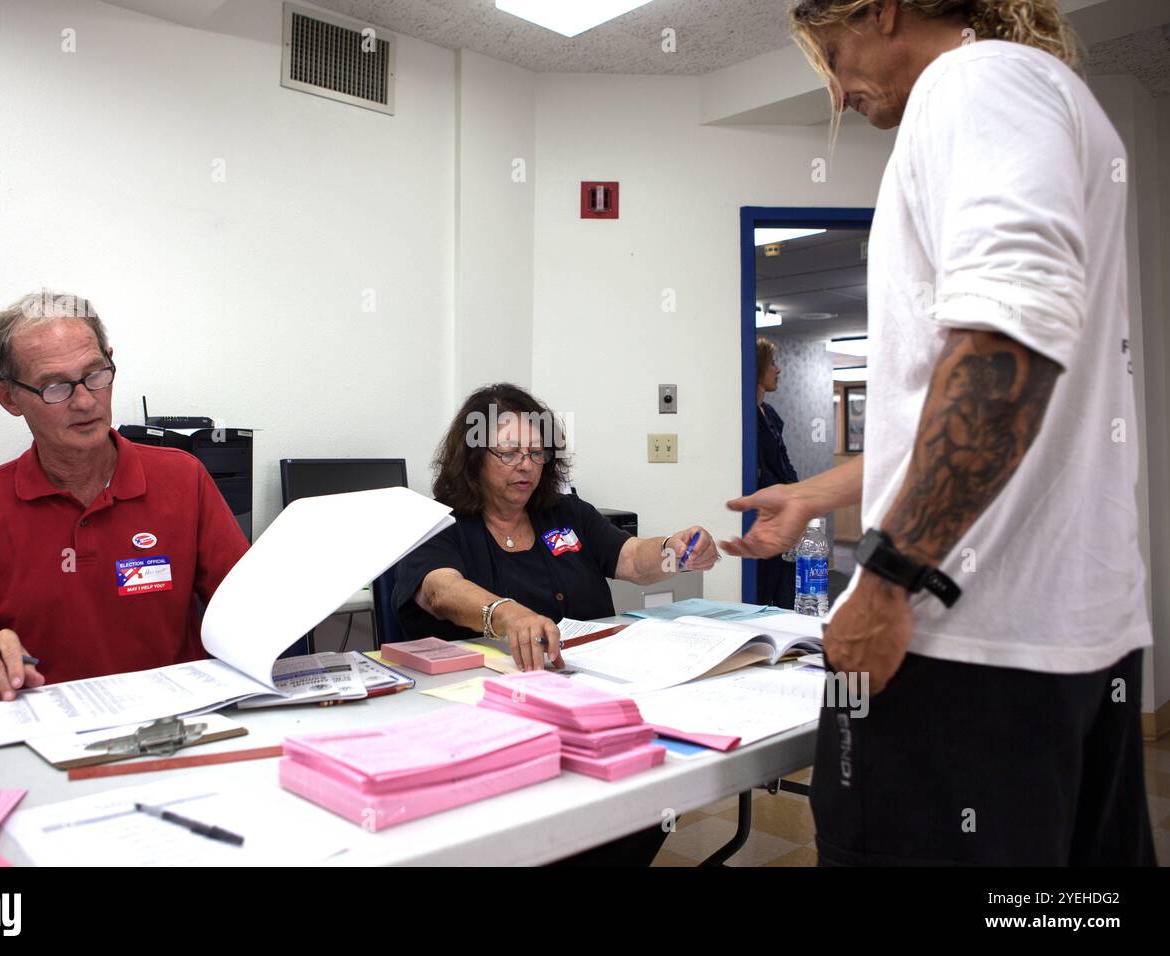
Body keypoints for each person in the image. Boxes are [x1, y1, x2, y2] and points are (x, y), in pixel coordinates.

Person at [723, 0, 1155, 865]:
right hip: (1072, 638)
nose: (840, 95)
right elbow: (976, 404)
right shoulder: (1059, 100)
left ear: (882, 11)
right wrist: (813, 493)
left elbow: (1005, 354)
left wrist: (884, 581)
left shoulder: (972, 80)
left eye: (836, 55)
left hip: (957, 640)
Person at [0, 291, 249, 703]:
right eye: (55, 387)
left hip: (172, 728)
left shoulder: (183, 478)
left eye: (95, 374)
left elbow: (246, 615)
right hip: (40, 738)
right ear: (8, 398)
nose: (87, 401)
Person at [395, 383, 720, 673]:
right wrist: (508, 615)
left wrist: (673, 553)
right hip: (487, 688)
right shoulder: (438, 521)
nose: (525, 464)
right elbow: (440, 591)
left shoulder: (566, 513)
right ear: (473, 459)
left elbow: (632, 559)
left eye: (536, 452)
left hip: (593, 673)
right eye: (509, 453)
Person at [753, 337, 800, 608]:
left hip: (785, 515)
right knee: (762, 591)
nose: (777, 369)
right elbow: (760, 471)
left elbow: (784, 462)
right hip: (764, 516)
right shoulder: (745, 416)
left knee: (786, 593)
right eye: (772, 363)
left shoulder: (769, 414)